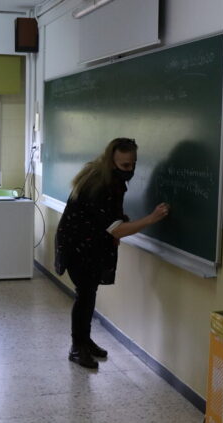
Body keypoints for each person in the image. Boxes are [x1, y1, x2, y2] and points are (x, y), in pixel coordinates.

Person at [54, 138, 169, 369]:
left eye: (133, 164)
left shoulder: (111, 179)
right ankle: (77, 347)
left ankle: (85, 341)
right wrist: (151, 218)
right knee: (85, 295)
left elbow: (107, 218)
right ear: (111, 161)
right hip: (78, 247)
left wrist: (116, 225)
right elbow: (115, 228)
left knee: (89, 294)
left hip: (91, 244)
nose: (130, 169)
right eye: (125, 165)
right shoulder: (100, 185)